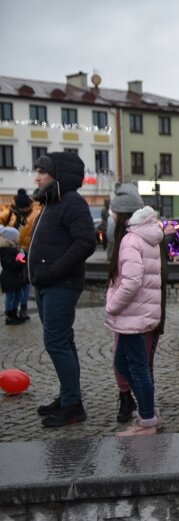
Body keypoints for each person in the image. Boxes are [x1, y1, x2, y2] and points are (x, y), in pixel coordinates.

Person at [28, 152, 97, 427]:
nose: (37, 176)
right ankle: (69, 396)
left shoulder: (72, 202)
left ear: (58, 175)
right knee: (63, 342)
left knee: (56, 343)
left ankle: (72, 407)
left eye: (42, 172)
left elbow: (85, 243)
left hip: (60, 285)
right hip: (46, 285)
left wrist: (54, 270)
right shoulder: (50, 203)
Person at [105, 183, 164, 436]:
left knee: (137, 367)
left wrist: (112, 305)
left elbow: (131, 281)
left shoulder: (130, 240)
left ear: (121, 215)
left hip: (133, 315)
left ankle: (147, 420)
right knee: (124, 362)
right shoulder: (145, 235)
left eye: (112, 214)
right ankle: (147, 411)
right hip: (141, 313)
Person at [1, 188, 39, 320]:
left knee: (25, 283)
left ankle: (23, 309)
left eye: (25, 207)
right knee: (16, 284)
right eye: (21, 208)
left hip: (27, 251)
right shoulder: (10, 214)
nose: (23, 210)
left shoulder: (35, 214)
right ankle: (12, 311)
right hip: (13, 250)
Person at [0, 226, 26, 325]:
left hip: (15, 277)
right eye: (16, 236)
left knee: (18, 295)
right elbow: (11, 264)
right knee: (11, 297)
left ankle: (14, 314)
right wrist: (21, 257)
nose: (18, 238)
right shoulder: (7, 250)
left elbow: (20, 261)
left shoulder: (14, 248)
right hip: (9, 277)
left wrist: (21, 257)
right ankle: (9, 316)